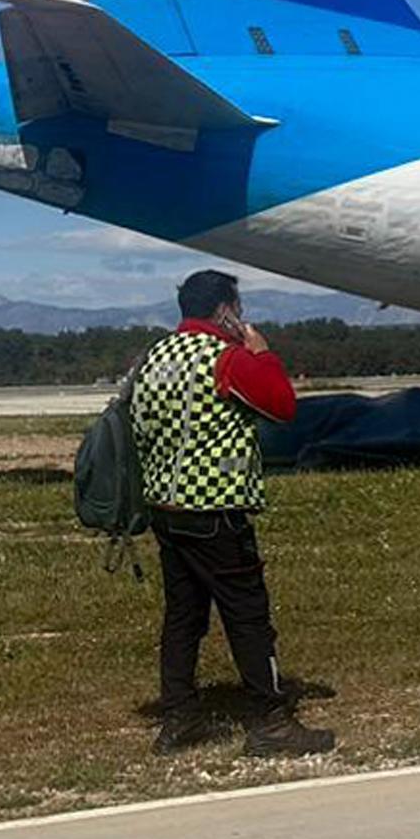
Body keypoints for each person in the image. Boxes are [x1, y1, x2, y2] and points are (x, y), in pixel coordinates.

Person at [136, 269, 335, 757]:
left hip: (165, 505)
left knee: (183, 617)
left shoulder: (153, 358)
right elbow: (282, 405)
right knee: (247, 616)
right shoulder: (223, 358)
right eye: (238, 309)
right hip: (215, 506)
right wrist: (261, 354)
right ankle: (271, 720)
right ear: (225, 310)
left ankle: (180, 716)